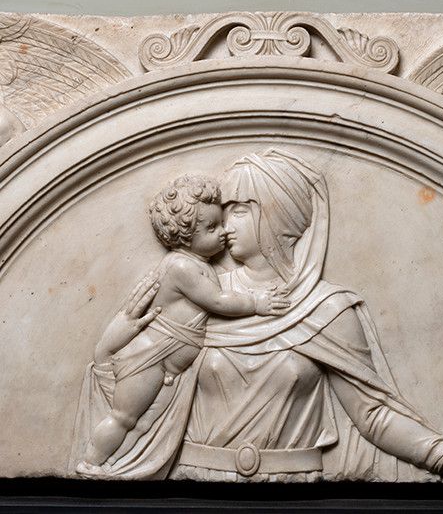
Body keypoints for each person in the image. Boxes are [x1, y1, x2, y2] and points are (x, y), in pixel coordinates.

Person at [70, 150, 443, 481]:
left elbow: (373, 416)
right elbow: (130, 375)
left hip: (298, 494)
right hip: (193, 489)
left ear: (278, 218)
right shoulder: (204, 294)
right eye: (220, 216)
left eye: (239, 212)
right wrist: (110, 343)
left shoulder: (327, 310)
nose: (225, 227)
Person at [74, 174, 288, 477]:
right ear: (185, 236)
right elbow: (218, 302)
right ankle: (90, 462)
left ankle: (119, 464)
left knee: (142, 423)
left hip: (167, 368)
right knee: (124, 417)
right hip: (149, 360)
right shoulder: (181, 266)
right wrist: (256, 303)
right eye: (211, 228)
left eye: (220, 223)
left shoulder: (198, 263)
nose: (224, 232)